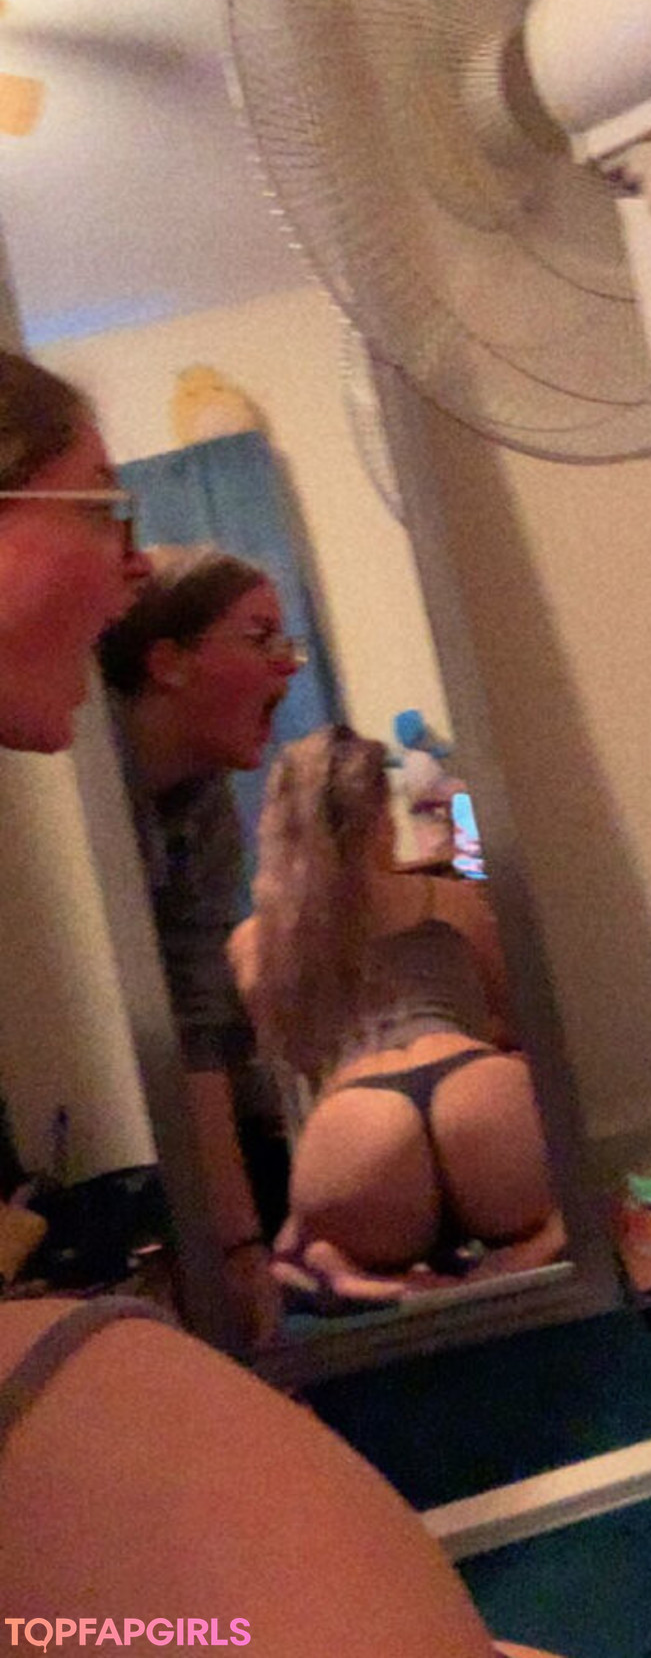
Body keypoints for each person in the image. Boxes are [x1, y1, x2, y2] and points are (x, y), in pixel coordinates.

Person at [0, 346, 564, 1658]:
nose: (134, 560)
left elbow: (245, 1037)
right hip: (475, 1096)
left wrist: (256, 1250)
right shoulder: (439, 892)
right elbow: (496, 994)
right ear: (169, 664)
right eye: (104, 508)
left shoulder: (230, 870)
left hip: (347, 1136)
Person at [232, 725, 565, 1305]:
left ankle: (347, 1274)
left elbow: (295, 1063)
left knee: (299, 1247)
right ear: (379, 818)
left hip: (359, 1126)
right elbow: (512, 1022)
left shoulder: (256, 942)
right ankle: (539, 1246)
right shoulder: (452, 899)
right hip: (476, 1089)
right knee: (574, 1185)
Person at [97, 544, 305, 1340]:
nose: (287, 666)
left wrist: (238, 1252)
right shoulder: (86, 775)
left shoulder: (206, 800)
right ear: (167, 663)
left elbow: (193, 1017)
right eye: (260, 638)